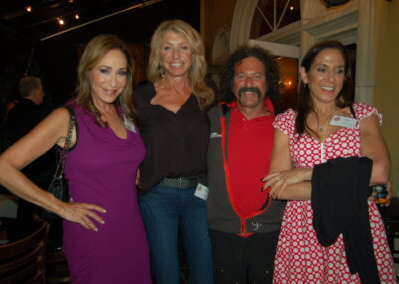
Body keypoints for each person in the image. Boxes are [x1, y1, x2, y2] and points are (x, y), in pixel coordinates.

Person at [0, 34, 151, 284]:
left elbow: (121, 158)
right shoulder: (67, 117)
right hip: (94, 233)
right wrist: (57, 206)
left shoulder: (125, 113)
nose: (113, 82)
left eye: (121, 72)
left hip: (132, 228)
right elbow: (4, 167)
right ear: (87, 70)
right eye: (105, 70)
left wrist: (131, 169)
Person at [262, 40, 396, 283]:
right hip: (304, 230)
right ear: (305, 74)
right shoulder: (287, 122)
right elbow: (278, 187)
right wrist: (357, 189)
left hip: (354, 225)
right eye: (322, 69)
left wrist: (307, 172)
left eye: (339, 70)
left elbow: (380, 172)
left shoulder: (363, 116)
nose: (331, 79)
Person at [134, 19, 214, 284]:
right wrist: (130, 166)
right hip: (157, 195)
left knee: (205, 272)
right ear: (158, 54)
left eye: (184, 47)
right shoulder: (140, 96)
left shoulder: (208, 95)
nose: (176, 56)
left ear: (194, 54)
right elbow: (121, 138)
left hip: (200, 196)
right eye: (168, 48)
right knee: (166, 272)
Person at [206, 46, 286, 284]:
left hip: (270, 231)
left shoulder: (285, 123)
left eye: (257, 76)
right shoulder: (213, 117)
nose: (249, 83)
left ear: (268, 82)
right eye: (241, 76)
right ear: (231, 83)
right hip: (223, 230)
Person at [4, 76, 55, 219]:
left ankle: (22, 238)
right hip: (42, 172)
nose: (43, 94)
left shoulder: (13, 112)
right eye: (42, 90)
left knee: (24, 212)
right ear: (35, 90)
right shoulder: (43, 114)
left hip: (20, 171)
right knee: (49, 213)